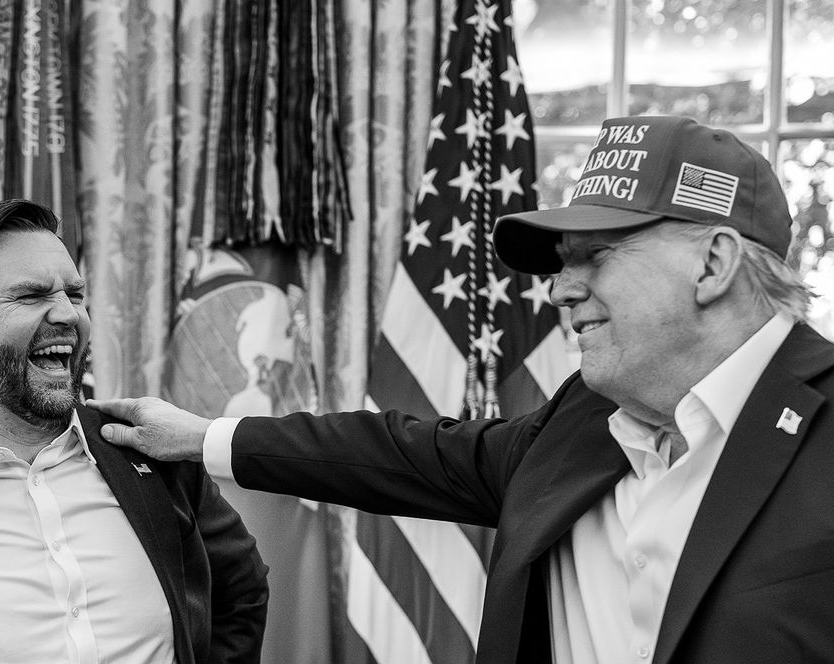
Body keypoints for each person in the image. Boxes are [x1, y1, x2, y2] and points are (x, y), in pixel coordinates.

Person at [88, 115, 834, 664]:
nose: (560, 290)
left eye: (596, 256)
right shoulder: (582, 420)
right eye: (562, 262)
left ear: (713, 264)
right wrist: (203, 437)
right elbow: (403, 453)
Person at [0, 199, 268, 663]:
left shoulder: (153, 454)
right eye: (31, 296)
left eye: (74, 295)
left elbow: (241, 591)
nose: (69, 315)